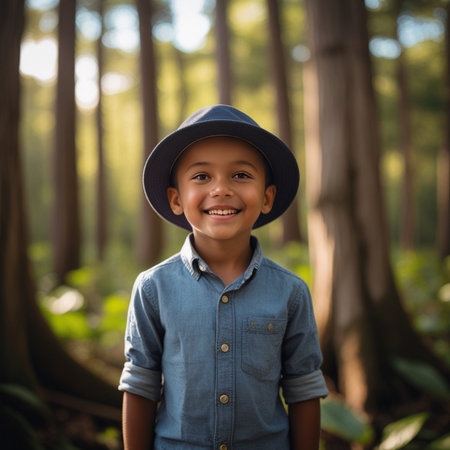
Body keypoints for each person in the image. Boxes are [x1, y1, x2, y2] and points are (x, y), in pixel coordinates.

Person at [119, 105, 328, 450]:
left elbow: (303, 387)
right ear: (176, 199)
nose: (221, 189)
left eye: (241, 176)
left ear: (267, 197)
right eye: (201, 177)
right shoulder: (153, 288)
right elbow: (140, 384)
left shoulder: (290, 292)